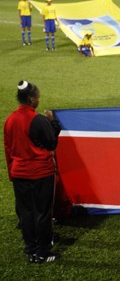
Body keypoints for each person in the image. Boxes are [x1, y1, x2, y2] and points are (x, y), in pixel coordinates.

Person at [4, 80, 61, 263]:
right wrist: (53, 121)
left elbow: (8, 148)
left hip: (19, 173)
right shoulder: (37, 120)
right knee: (42, 212)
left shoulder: (10, 119)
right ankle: (43, 252)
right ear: (30, 99)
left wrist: (11, 173)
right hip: (40, 173)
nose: (38, 100)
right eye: (37, 97)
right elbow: (52, 142)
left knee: (26, 212)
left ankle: (31, 249)